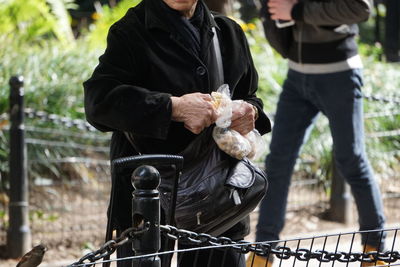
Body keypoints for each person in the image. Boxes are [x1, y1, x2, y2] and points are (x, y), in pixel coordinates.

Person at [83, 0, 271, 266]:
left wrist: (249, 112)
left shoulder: (228, 31)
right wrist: (174, 107)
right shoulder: (130, 31)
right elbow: (98, 102)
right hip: (148, 200)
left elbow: (250, 96)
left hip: (219, 198)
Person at [246, 0, 387, 266]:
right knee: (278, 162)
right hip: (297, 78)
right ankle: (262, 252)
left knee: (351, 160)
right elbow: (281, 28)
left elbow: (361, 9)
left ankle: (376, 252)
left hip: (340, 75)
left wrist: (297, 11)